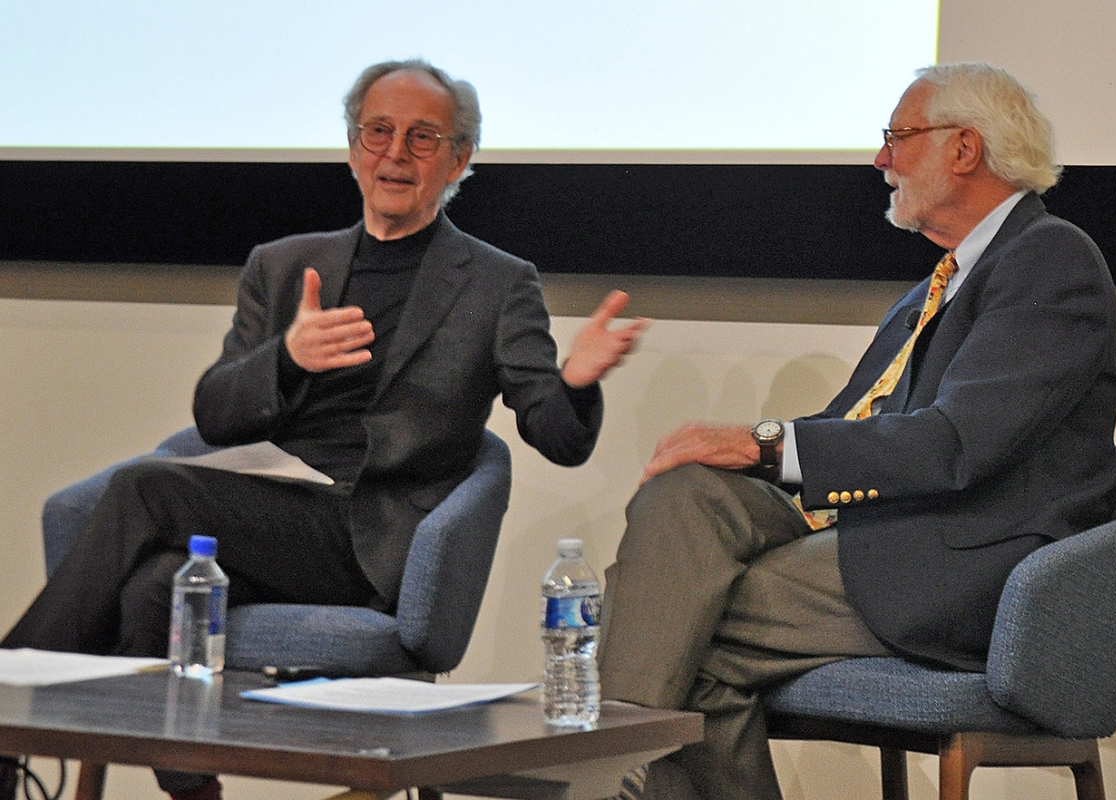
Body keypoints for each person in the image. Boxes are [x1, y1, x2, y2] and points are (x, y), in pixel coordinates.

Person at [0, 59, 647, 800]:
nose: (394, 153)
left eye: (421, 137)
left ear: (459, 160)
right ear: (351, 146)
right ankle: (192, 790)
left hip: (367, 538)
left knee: (146, 486)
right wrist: (287, 359)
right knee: (154, 586)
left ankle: (8, 715)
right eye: (377, 131)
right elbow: (214, 412)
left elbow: (556, 438)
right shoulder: (283, 267)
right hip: (268, 511)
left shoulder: (500, 283)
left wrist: (575, 382)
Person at [597, 61, 1116, 800]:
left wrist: (766, 442)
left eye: (898, 137)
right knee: (687, 493)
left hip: (963, 565)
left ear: (964, 149)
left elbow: (955, 443)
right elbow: (859, 425)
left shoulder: (1051, 260)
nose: (881, 159)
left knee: (687, 631)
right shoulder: (935, 288)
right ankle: (612, 764)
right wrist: (750, 447)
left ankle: (599, 769)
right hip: (883, 533)